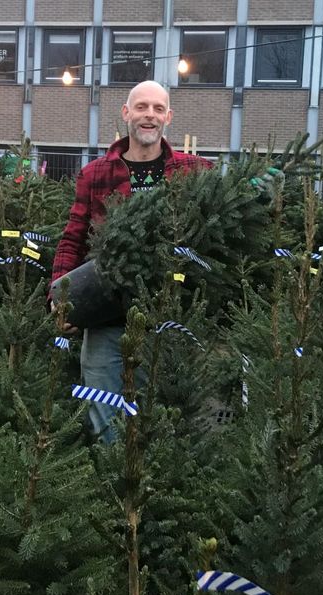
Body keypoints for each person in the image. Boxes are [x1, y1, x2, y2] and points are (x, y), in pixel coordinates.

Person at [50, 80, 213, 442]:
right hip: (105, 318)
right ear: (126, 113)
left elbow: (226, 218)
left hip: (167, 322)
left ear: (168, 117)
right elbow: (73, 238)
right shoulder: (96, 173)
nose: (149, 116)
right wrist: (58, 298)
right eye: (141, 107)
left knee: (163, 418)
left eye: (157, 109)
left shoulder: (196, 171)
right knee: (106, 422)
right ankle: (115, 491)